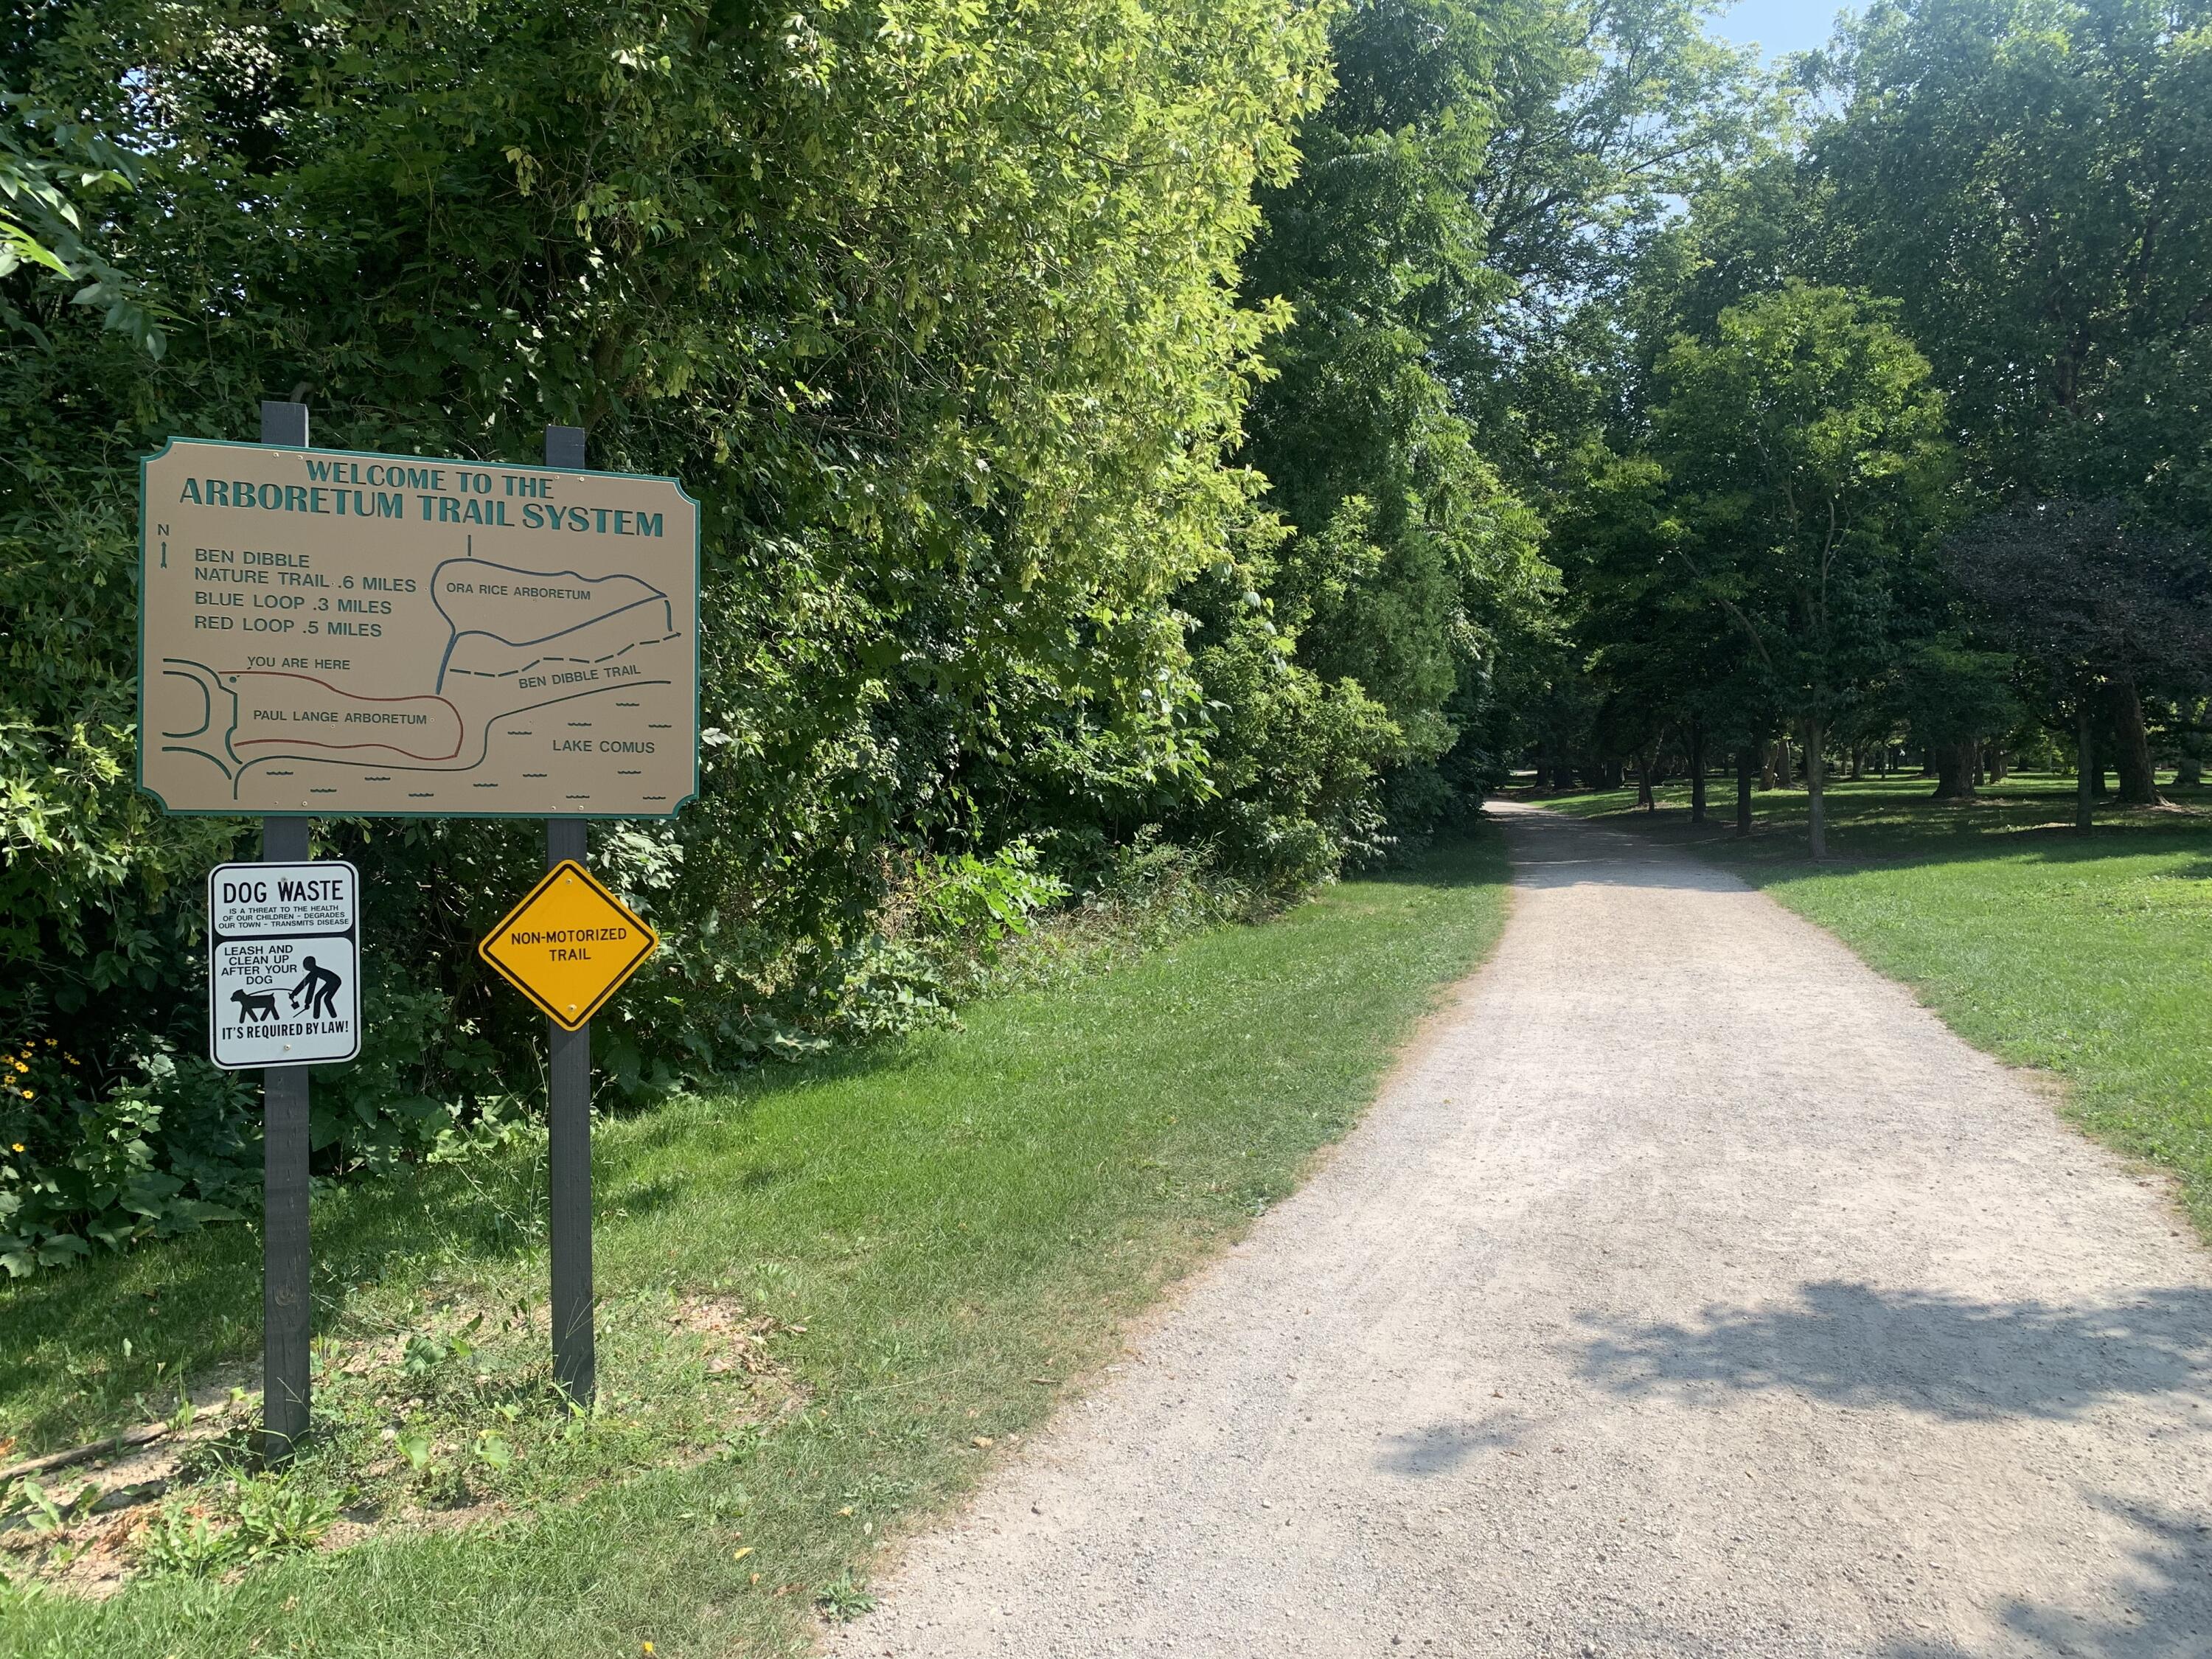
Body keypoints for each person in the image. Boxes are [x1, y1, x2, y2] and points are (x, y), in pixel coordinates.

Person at [290, 955, 342, 1021]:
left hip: (335, 982)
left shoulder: (315, 972)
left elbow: (311, 989)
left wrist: (307, 1003)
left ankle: (318, 1017)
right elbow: (304, 984)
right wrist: (294, 994)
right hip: (332, 981)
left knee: (323, 998)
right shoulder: (314, 972)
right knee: (323, 998)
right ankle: (325, 1016)